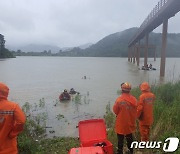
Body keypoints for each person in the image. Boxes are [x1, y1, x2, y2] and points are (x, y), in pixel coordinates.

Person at [0, 82, 26, 154]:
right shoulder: (13, 106)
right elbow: (21, 121)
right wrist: (13, 133)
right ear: (6, 93)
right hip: (9, 148)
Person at [113, 82, 137, 154]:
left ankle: (120, 152)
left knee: (120, 139)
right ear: (129, 90)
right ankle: (131, 151)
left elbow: (115, 111)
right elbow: (136, 109)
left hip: (121, 123)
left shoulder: (119, 100)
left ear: (122, 90)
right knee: (129, 137)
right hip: (130, 122)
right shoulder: (134, 100)